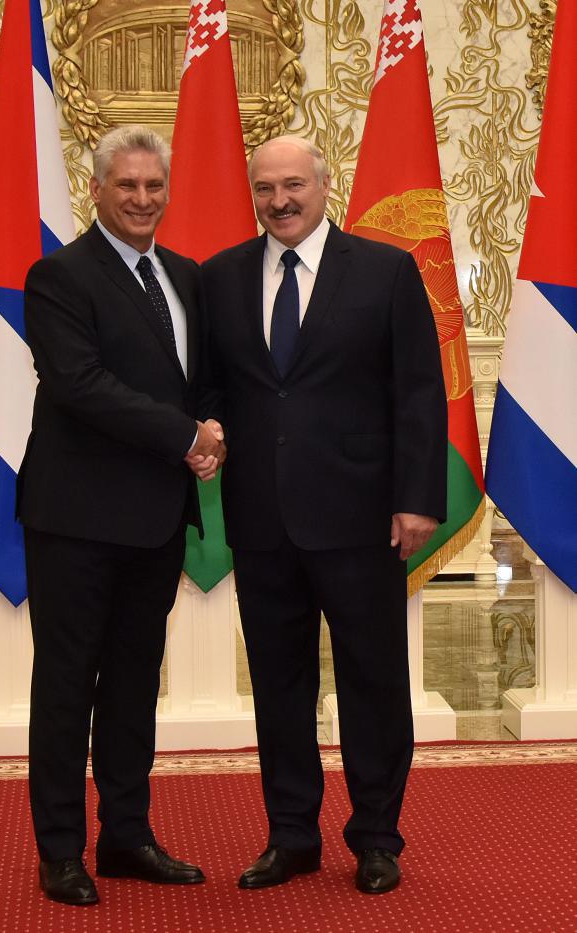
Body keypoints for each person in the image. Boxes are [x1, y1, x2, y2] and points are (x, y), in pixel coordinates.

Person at [198, 136, 447, 894]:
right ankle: (291, 836)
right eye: (266, 188)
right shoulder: (220, 277)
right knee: (279, 685)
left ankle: (376, 836)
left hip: (362, 516)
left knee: (374, 681)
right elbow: (211, 385)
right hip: (261, 518)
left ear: (324, 186)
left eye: (294, 185)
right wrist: (206, 427)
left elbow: (418, 390)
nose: (280, 201)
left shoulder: (385, 270)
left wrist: (418, 498)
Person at [18, 125, 224, 906]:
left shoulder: (186, 275)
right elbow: (79, 383)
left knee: (135, 683)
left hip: (156, 518)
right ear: (96, 189)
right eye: (127, 185)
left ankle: (127, 835)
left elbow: (200, 379)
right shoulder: (59, 276)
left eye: (153, 186)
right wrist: (186, 436)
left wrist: (214, 425)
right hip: (75, 518)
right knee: (67, 684)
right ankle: (60, 850)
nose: (142, 199)